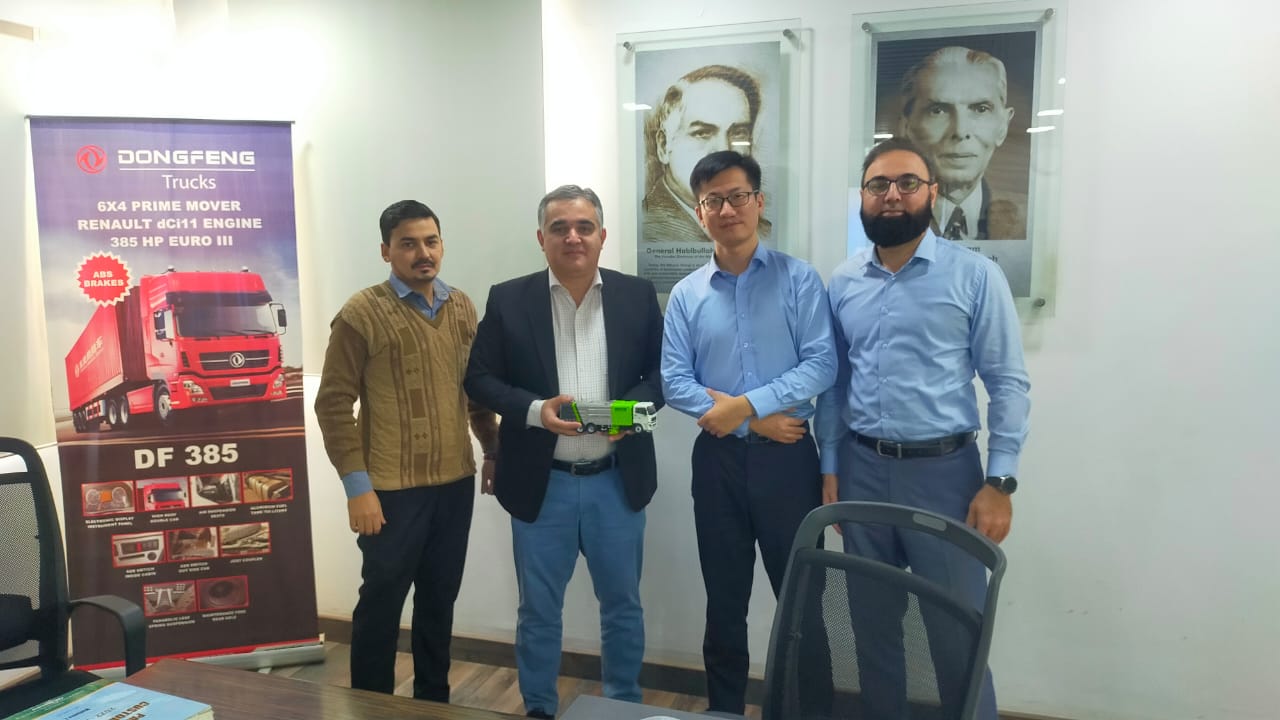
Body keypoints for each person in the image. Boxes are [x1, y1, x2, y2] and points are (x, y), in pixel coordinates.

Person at [815, 138, 1031, 719]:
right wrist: (831, 465)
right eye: (878, 185)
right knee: (872, 632)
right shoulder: (843, 281)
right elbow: (835, 385)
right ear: (863, 196)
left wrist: (1000, 481)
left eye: (907, 183)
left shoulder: (975, 276)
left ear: (932, 193)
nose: (892, 195)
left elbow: (1008, 382)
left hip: (946, 478)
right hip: (862, 471)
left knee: (956, 637)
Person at [464, 185, 664, 719]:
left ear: (602, 235)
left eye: (583, 227)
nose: (572, 237)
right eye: (559, 228)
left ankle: (623, 707)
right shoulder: (509, 299)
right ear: (541, 238)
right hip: (541, 482)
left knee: (622, 607)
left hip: (615, 481)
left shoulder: (636, 295)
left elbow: (662, 374)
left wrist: (629, 414)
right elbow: (479, 378)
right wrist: (534, 411)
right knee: (538, 612)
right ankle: (539, 708)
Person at [661, 150, 835, 715]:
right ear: (698, 212)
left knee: (804, 601)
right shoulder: (686, 295)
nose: (727, 209)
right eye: (713, 200)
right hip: (718, 463)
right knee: (724, 601)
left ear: (759, 202)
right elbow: (674, 381)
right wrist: (750, 418)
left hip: (789, 461)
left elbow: (821, 365)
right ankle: (724, 710)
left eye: (738, 196)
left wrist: (744, 404)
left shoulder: (799, 279)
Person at [314, 200, 498, 702]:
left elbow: (475, 392)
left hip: (454, 482)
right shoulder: (360, 313)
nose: (423, 253)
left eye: (431, 241)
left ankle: (433, 704)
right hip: (389, 492)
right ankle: (371, 706)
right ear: (386, 251)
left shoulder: (461, 306)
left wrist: (492, 450)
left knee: (440, 601)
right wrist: (358, 489)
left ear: (442, 245)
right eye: (408, 244)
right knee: (381, 604)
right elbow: (333, 404)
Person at [899, 46, 1024, 240]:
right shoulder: (887, 215)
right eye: (938, 110)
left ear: (1003, 126)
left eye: (980, 109)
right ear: (907, 128)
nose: (960, 131)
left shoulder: (1027, 219)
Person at [642, 64, 771, 243]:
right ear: (664, 146)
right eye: (702, 133)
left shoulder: (761, 228)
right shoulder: (649, 226)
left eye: (738, 132)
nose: (723, 149)